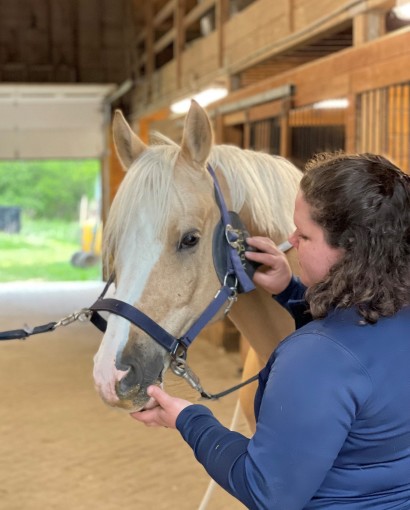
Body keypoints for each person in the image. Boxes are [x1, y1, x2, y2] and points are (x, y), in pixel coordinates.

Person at [131, 152, 410, 509]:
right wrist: (291, 290)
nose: (291, 240)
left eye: (305, 235)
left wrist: (189, 419)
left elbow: (267, 491)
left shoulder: (315, 357)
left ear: (351, 248)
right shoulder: (392, 312)